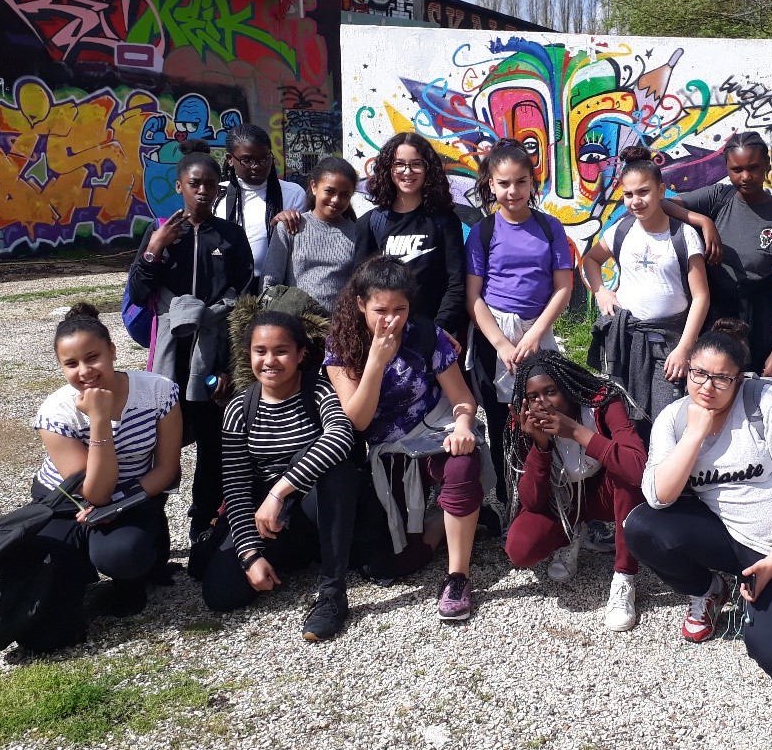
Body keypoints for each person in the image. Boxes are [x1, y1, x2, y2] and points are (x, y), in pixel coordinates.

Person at [623, 320, 772, 679]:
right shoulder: (674, 418)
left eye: (722, 378)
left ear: (740, 378)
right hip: (731, 537)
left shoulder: (768, 405)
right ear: (686, 371)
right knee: (641, 526)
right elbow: (657, 496)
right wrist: (696, 432)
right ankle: (710, 590)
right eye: (699, 374)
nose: (707, 386)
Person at [326, 256, 485, 620]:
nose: (391, 320)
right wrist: (376, 362)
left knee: (462, 463)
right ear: (360, 304)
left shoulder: (425, 335)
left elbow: (462, 399)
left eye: (400, 309)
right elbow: (359, 420)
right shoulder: (341, 345)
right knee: (386, 565)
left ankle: (458, 576)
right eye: (380, 310)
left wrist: (463, 426)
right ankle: (437, 524)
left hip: (433, 430)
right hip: (387, 450)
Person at [26, 304, 182, 649]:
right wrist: (99, 420)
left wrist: (116, 505)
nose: (84, 371)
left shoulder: (157, 391)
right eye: (71, 364)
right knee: (51, 573)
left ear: (112, 351)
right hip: (67, 498)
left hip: (133, 493)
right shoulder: (56, 412)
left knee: (124, 555)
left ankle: (125, 574)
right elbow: (92, 492)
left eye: (92, 357)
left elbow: (167, 469)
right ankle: (79, 569)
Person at [201, 311, 360, 641]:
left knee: (337, 468)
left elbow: (341, 435)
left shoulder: (319, 392)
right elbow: (236, 486)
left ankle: (332, 594)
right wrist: (249, 555)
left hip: (318, 507)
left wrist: (279, 492)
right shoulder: (238, 409)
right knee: (221, 595)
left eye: (281, 351)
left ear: (301, 354)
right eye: (260, 351)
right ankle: (295, 557)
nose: (270, 361)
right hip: (272, 522)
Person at [128, 140, 253, 539]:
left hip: (213, 354)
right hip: (171, 354)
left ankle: (203, 523)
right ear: (180, 185)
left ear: (219, 189)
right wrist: (155, 249)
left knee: (212, 443)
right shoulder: (161, 231)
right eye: (195, 183)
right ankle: (152, 527)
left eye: (211, 185)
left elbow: (243, 289)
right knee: (162, 442)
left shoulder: (231, 236)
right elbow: (137, 290)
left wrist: (228, 349)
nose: (203, 191)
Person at [503, 352, 648, 631]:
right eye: (533, 397)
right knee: (520, 547)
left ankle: (624, 577)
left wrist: (577, 432)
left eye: (551, 391)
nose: (543, 403)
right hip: (566, 500)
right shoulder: (524, 424)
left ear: (567, 388)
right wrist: (541, 447)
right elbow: (532, 502)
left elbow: (638, 467)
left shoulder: (603, 402)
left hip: (605, 493)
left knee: (625, 476)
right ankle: (571, 534)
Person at [465, 138, 574, 503]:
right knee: (501, 421)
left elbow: (563, 287)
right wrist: (502, 343)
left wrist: (534, 336)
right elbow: (474, 298)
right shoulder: (482, 232)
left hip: (537, 334)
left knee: (545, 413)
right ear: (491, 185)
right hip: (495, 337)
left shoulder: (550, 227)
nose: (513, 191)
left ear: (532, 182)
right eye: (504, 183)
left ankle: (549, 493)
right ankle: (508, 497)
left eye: (521, 182)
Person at [582, 144, 710, 439]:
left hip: (670, 345)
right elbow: (590, 261)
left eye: (644, 192)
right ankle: (633, 480)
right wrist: (601, 292)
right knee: (625, 420)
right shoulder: (621, 230)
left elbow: (701, 296)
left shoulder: (683, 235)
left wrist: (684, 348)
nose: (636, 201)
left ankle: (669, 484)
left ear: (661, 190)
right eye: (628, 194)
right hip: (626, 343)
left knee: (669, 422)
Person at [666, 132, 772, 379]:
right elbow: (662, 203)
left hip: (763, 317)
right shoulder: (717, 198)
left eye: (753, 168)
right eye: (736, 169)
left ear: (767, 166)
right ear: (727, 169)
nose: (745, 176)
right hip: (719, 313)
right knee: (717, 385)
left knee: (763, 393)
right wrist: (704, 221)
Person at [353, 131, 467, 340]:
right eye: (399, 164)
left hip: (432, 333)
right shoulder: (370, 223)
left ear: (427, 169)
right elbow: (360, 285)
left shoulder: (445, 221)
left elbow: (456, 283)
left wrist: (439, 330)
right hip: (384, 335)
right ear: (388, 169)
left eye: (416, 164)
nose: (407, 171)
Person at [214, 123, 309, 285]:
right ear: (230, 159)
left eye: (265, 158)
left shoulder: (293, 193)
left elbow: (301, 249)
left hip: (275, 288)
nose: (257, 166)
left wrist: (285, 225)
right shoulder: (216, 194)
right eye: (247, 160)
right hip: (228, 287)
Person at [261, 156, 360, 311]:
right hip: (294, 327)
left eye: (344, 194)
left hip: (338, 329)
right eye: (329, 191)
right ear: (314, 187)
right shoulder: (290, 227)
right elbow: (268, 284)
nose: (336, 200)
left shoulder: (357, 233)